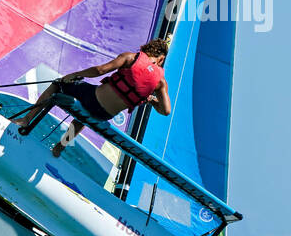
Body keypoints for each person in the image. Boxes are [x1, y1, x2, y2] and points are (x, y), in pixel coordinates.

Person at [10, 39, 171, 158]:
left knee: (57, 85)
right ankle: (59, 147)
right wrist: (151, 100)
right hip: (104, 115)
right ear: (161, 59)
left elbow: (101, 70)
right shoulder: (160, 82)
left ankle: (27, 119)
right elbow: (165, 111)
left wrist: (75, 75)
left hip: (92, 98)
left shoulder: (131, 58)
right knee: (82, 116)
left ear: (147, 49)